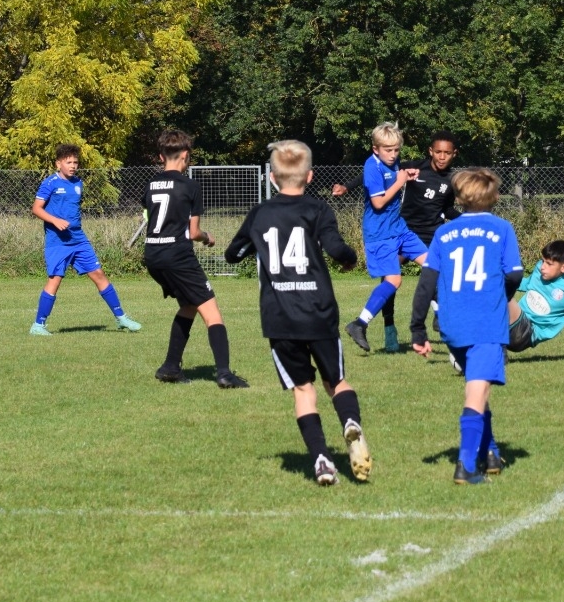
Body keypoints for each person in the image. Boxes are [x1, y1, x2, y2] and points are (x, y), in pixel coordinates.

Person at [225, 140, 369, 486]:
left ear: (272, 178)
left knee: (303, 390)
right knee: (336, 382)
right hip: (318, 311)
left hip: (280, 316)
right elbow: (336, 247)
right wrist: (349, 258)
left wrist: (249, 246)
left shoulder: (261, 214)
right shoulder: (318, 210)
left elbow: (233, 253)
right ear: (310, 176)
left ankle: (321, 459)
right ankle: (349, 422)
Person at [431, 168, 524, 484]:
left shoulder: (445, 232)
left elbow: (428, 279)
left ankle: (491, 452)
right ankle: (466, 465)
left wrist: (418, 324)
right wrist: (502, 298)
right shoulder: (502, 228)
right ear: (494, 196)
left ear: (458, 198)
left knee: (477, 385)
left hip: (454, 324)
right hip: (485, 321)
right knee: (475, 392)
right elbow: (513, 274)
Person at [142, 129, 247, 388]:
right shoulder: (190, 186)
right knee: (211, 312)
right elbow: (193, 231)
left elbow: (151, 215)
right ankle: (224, 373)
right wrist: (207, 237)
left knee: (188, 305)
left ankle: (170, 367)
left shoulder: (150, 184)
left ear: (160, 156)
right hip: (177, 256)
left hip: (153, 255)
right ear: (186, 156)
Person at [28, 143, 141, 335]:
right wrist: (55, 221)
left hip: (79, 239)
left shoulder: (78, 184)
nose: (73, 165)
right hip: (58, 242)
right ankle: (38, 325)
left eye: (75, 162)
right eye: (68, 162)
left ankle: (121, 318)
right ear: (58, 164)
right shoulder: (50, 183)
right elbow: (36, 208)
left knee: (98, 274)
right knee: (55, 280)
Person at [344, 121, 427, 353]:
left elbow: (395, 178)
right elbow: (378, 202)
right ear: (375, 149)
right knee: (394, 281)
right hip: (380, 234)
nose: (393, 155)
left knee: (434, 264)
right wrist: (400, 182)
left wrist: (406, 175)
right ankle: (359, 324)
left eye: (396, 150)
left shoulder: (393, 162)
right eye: (388, 150)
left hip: (399, 229)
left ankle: (442, 318)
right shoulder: (372, 166)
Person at [402, 132, 460, 352]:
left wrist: (469, 218)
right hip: (405, 232)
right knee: (390, 276)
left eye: (447, 153)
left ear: (454, 154)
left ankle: (439, 315)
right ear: (430, 151)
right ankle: (389, 328)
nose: (442, 156)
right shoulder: (414, 168)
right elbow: (380, 170)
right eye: (438, 152)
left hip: (432, 235)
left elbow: (447, 210)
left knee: (441, 274)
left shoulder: (451, 180)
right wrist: (348, 187)